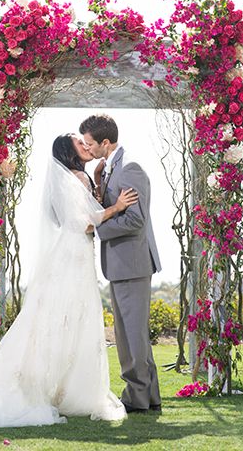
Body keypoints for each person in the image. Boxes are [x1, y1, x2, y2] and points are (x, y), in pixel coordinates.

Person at [0, 134, 138, 428]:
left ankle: (60, 387)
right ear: (68, 153)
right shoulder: (75, 178)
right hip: (73, 258)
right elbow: (82, 223)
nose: (86, 146)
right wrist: (117, 207)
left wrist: (96, 179)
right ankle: (56, 389)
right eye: (79, 144)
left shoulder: (76, 177)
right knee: (69, 319)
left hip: (72, 256)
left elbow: (73, 216)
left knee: (66, 319)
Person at [79, 114, 162, 414]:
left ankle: (137, 398)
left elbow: (136, 219)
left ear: (105, 142)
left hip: (133, 262)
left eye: (90, 144)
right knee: (130, 334)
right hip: (122, 263)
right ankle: (149, 397)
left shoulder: (130, 168)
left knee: (131, 336)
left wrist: (98, 228)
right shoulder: (110, 169)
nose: (87, 149)